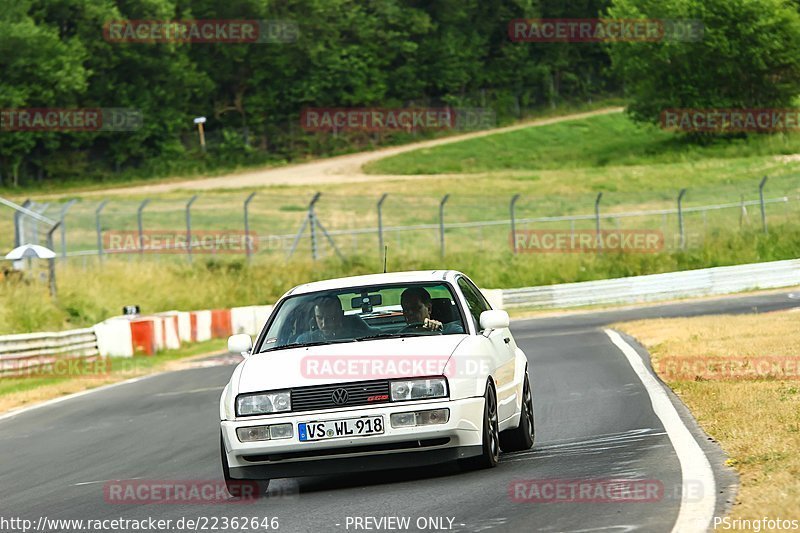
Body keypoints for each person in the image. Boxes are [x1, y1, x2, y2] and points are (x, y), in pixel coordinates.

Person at [296, 294, 373, 342]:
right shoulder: (304, 341)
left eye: (330, 317)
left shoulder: (360, 335)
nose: (324, 324)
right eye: (319, 318)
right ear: (314, 317)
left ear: (340, 315)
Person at [399, 287, 464, 334]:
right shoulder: (401, 335)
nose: (410, 313)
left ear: (429, 308)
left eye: (415, 308)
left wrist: (438, 332)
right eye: (406, 309)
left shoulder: (452, 331)